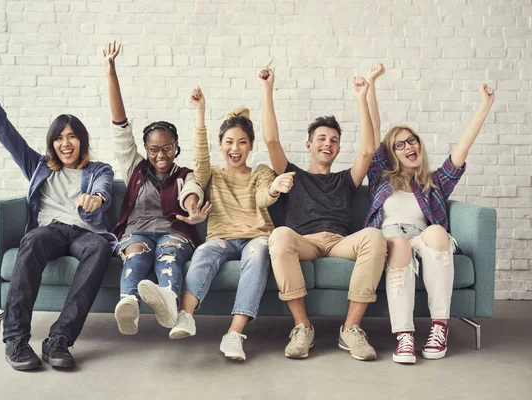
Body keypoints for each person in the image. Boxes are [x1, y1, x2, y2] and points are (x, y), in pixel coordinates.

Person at [0, 58, 115, 371]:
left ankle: (59, 339)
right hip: (49, 231)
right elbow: (4, 131)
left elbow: (104, 188)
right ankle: (15, 338)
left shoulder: (99, 169)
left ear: (82, 141)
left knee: (101, 247)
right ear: (52, 143)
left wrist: (97, 198)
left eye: (72, 136)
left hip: (84, 233)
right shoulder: (38, 166)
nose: (66, 143)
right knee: (33, 240)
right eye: (59, 137)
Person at [364, 62, 495, 363]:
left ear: (419, 146)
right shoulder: (380, 178)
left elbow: (461, 150)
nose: (408, 146)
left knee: (437, 232)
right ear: (392, 154)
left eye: (412, 140)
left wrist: (484, 107)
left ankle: (440, 327)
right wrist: (371, 85)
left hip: (422, 238)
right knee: (397, 244)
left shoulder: (434, 183)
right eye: (399, 145)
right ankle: (405, 337)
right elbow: (373, 131)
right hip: (391, 240)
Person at [261, 67, 387, 361]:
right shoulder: (292, 174)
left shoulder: (347, 179)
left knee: (375, 237)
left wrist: (361, 96)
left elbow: (368, 151)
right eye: (321, 138)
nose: (327, 144)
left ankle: (351, 328)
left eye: (333, 140)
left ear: (338, 148)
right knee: (279, 235)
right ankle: (303, 327)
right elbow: (271, 141)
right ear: (309, 144)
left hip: (339, 242)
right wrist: (267, 90)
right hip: (303, 241)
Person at [168, 86, 294, 361]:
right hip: (221, 237)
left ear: (250, 146)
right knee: (202, 252)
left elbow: (263, 198)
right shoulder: (212, 172)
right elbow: (200, 159)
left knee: (259, 251)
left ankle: (234, 334)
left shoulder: (261, 171)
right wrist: (200, 112)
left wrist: (274, 187)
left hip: (256, 237)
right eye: (228, 142)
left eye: (242, 142)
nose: (235, 148)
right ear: (221, 144)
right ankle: (186, 315)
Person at [102, 41, 210, 335]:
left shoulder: (184, 174)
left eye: (167, 149)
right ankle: (128, 304)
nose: (160, 156)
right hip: (136, 232)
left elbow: (192, 191)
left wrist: (192, 210)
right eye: (153, 149)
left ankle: (169, 301)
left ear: (176, 148)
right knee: (136, 253)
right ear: (145, 149)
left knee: (169, 254)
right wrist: (111, 72)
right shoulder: (134, 168)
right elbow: (119, 125)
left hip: (175, 232)